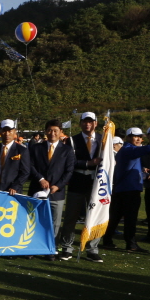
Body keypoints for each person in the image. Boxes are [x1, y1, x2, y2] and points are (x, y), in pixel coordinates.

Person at [103, 128, 150, 253]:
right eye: (136, 136)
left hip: (122, 188)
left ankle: (107, 240)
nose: (139, 139)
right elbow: (148, 149)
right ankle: (131, 244)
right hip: (129, 189)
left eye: (140, 136)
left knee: (116, 217)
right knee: (130, 218)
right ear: (128, 138)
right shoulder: (130, 149)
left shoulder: (126, 150)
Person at [58, 112, 103, 262]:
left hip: (96, 183)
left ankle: (92, 249)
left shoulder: (103, 140)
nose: (87, 124)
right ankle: (67, 247)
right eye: (85, 121)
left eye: (90, 121)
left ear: (96, 123)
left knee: (95, 217)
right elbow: (69, 162)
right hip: (77, 181)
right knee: (71, 216)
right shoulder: (72, 140)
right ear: (81, 123)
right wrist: (87, 163)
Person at [28, 120, 76, 259]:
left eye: (55, 130)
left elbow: (69, 170)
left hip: (57, 192)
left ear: (60, 132)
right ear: (45, 131)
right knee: (34, 219)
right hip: (37, 190)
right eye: (49, 130)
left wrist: (59, 185)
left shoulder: (67, 150)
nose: (52, 133)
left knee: (55, 223)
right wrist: (40, 179)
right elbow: (30, 166)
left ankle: (51, 248)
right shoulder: (37, 148)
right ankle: (33, 248)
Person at [0, 119, 31, 195]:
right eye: (4, 130)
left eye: (10, 131)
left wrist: (15, 186)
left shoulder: (22, 150)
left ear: (15, 131)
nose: (7, 134)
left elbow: (25, 172)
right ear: (0, 132)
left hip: (12, 191)